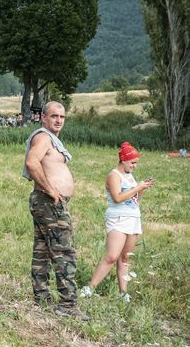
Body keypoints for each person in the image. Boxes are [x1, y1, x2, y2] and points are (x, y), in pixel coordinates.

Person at [23, 101, 90, 321]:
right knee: (64, 252)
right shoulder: (42, 137)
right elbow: (32, 163)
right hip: (49, 202)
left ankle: (41, 296)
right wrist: (51, 190)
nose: (59, 120)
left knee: (42, 250)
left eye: (62, 117)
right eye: (54, 116)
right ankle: (68, 305)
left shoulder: (51, 139)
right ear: (44, 117)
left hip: (45, 202)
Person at [81, 142, 154, 302]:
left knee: (125, 258)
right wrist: (137, 187)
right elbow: (118, 198)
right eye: (132, 163)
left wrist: (141, 190)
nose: (134, 166)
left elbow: (135, 201)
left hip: (133, 218)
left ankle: (123, 293)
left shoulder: (130, 175)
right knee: (112, 256)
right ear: (123, 160)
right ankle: (89, 288)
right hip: (118, 218)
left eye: (136, 163)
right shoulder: (114, 176)